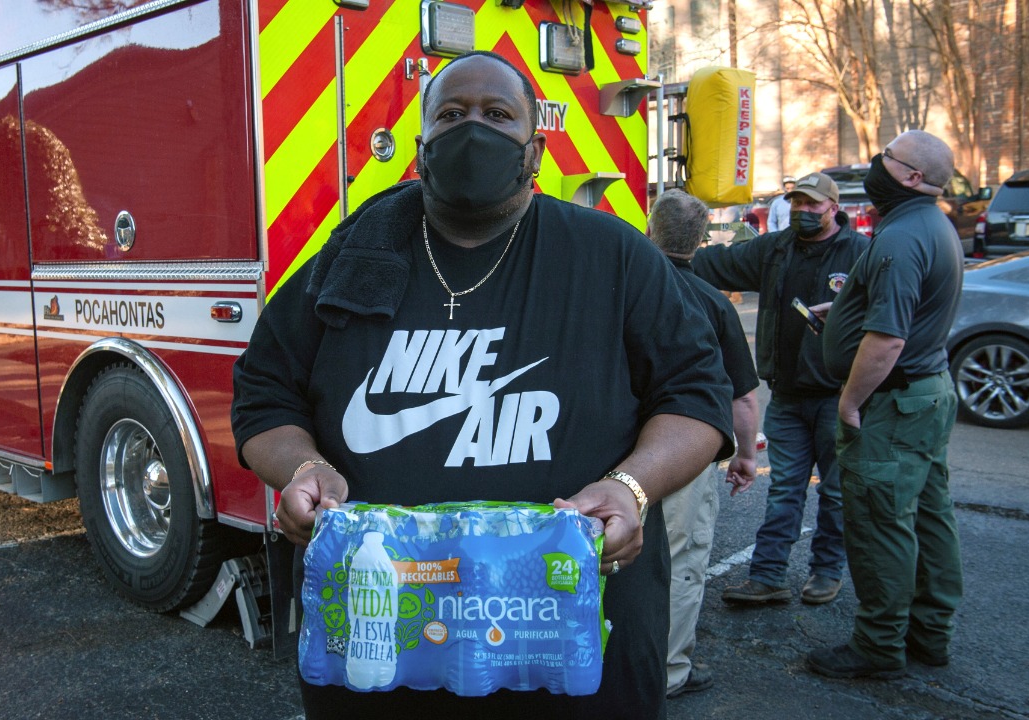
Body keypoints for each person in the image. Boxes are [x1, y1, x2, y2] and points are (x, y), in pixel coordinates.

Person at [230, 51, 734, 719]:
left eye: (498, 115)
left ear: (535, 149)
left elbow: (697, 395)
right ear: (421, 146)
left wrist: (631, 486)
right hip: (384, 638)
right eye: (451, 114)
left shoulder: (612, 255)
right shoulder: (350, 262)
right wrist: (304, 468)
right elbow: (265, 393)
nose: (474, 128)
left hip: (570, 638)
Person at [808, 130, 964, 679]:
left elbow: (889, 340)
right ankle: (930, 634)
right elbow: (901, 310)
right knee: (927, 514)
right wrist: (848, 306)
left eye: (886, 157)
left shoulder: (902, 239)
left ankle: (878, 647)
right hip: (925, 395)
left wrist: (850, 402)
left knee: (880, 522)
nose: (874, 164)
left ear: (912, 177)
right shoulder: (930, 226)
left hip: (894, 405)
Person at [692, 172, 870, 606]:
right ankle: (769, 575)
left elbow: (885, 320)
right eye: (796, 204)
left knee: (834, 490)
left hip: (836, 394)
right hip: (788, 396)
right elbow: (714, 262)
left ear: (833, 208)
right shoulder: (776, 249)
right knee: (786, 487)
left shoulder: (862, 254)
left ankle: (827, 571)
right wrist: (655, 251)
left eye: (812, 205)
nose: (802, 212)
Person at [647, 190, 761, 698]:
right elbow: (741, 399)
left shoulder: (620, 288)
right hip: (684, 455)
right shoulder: (715, 304)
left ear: (650, 228)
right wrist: (744, 455)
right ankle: (668, 673)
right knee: (681, 561)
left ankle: (601, 653)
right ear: (700, 240)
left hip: (614, 455)